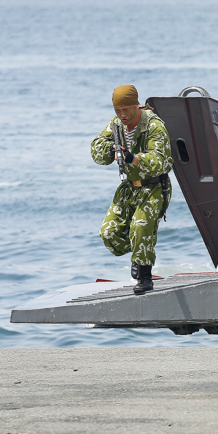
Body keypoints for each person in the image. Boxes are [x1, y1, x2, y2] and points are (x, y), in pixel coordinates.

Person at [90, 85, 173, 294]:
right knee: (108, 233)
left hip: (154, 186)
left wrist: (132, 158)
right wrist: (110, 149)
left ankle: (144, 276)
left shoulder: (154, 126)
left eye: (126, 109)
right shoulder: (116, 124)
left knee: (140, 226)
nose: (122, 114)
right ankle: (139, 250)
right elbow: (96, 149)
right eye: (117, 110)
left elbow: (160, 161)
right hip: (129, 187)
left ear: (137, 105)